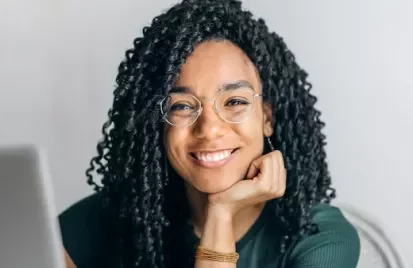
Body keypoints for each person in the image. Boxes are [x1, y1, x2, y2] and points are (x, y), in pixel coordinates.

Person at [58, 0, 360, 267]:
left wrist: (221, 211)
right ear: (158, 122)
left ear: (267, 117)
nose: (210, 129)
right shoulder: (114, 216)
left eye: (235, 102)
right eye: (183, 106)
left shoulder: (320, 239)